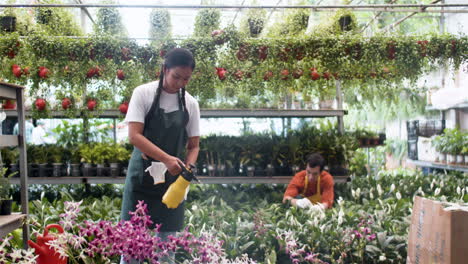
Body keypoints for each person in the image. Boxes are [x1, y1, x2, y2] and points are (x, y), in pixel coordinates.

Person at [120, 48, 200, 264]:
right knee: (131, 250)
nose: (180, 83)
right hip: (142, 180)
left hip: (173, 183)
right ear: (164, 69)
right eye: (176, 76)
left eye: (186, 79)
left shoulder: (191, 104)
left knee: (166, 250)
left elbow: (194, 146)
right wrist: (166, 158)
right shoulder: (143, 93)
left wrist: (188, 170)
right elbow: (134, 136)